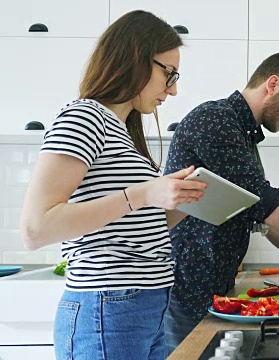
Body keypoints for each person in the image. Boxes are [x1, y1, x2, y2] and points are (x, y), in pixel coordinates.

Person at [19, 10, 207, 360]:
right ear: (136, 58)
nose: (174, 89)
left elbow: (126, 223)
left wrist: (183, 203)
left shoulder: (124, 133)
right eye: (169, 73)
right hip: (107, 309)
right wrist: (143, 194)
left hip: (142, 308)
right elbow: (35, 229)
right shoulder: (84, 116)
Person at [163, 51, 279, 353]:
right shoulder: (215, 120)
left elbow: (261, 216)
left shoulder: (244, 135)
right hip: (185, 291)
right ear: (273, 84)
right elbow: (267, 205)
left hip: (212, 289)